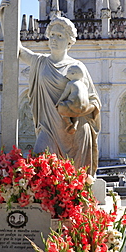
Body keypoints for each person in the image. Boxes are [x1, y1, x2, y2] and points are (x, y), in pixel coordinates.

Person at [19, 15, 101, 175]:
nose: (54, 39)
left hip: (75, 133)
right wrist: (5, 18)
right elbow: (19, 50)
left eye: (60, 36)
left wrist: (78, 108)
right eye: (52, 35)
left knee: (76, 182)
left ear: (69, 41)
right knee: (39, 167)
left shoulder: (77, 67)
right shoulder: (40, 62)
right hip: (48, 127)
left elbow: (94, 102)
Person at [55, 64, 90, 135]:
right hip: (85, 107)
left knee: (61, 107)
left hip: (73, 104)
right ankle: (75, 124)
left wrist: (58, 102)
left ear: (73, 74)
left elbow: (65, 94)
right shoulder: (83, 85)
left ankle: (69, 122)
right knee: (76, 112)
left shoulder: (71, 83)